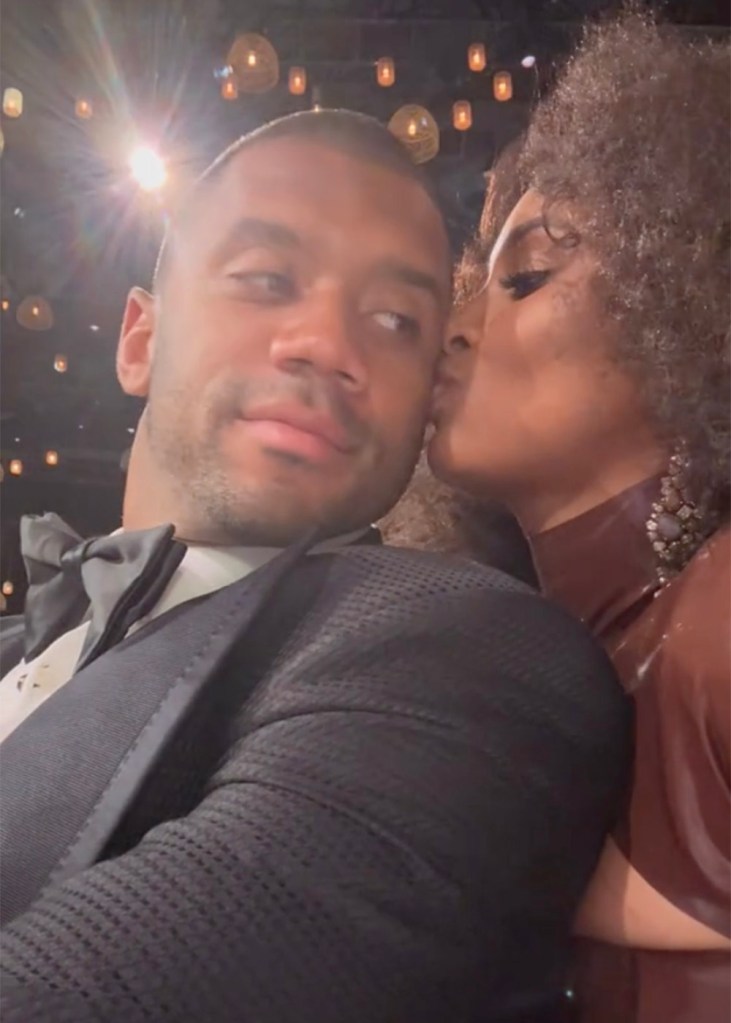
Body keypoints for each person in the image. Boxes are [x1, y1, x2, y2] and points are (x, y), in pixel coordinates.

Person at [0, 111, 629, 1022]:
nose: (329, 347)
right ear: (139, 338)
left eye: (394, 319)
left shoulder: (469, 655)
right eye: (266, 279)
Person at [428, 12, 730, 1023]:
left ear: (684, 301)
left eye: (526, 278)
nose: (452, 324)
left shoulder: (715, 626)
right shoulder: (560, 676)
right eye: (473, 282)